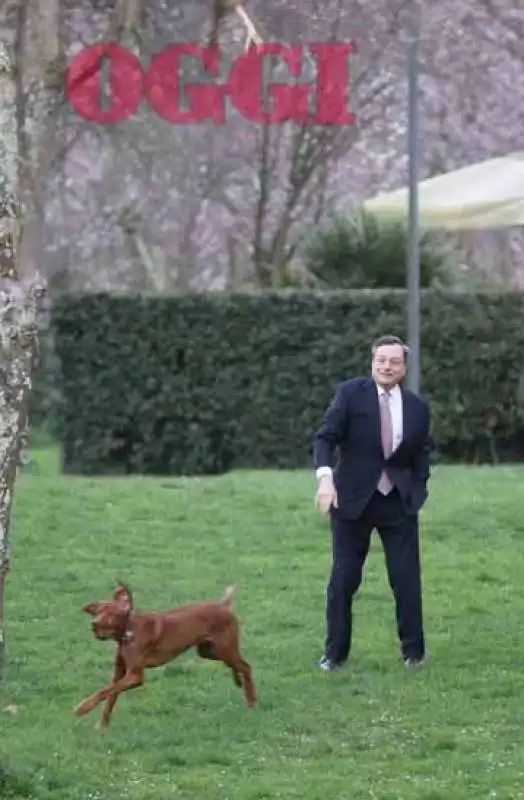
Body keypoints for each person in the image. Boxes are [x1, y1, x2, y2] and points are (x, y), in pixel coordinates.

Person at [312, 334, 432, 671]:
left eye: (394, 361)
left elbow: (422, 453)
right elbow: (325, 437)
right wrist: (325, 478)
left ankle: (414, 653)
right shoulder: (351, 394)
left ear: (404, 367)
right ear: (373, 362)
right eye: (381, 360)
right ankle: (334, 654)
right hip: (351, 502)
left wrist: (418, 491)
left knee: (406, 579)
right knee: (344, 579)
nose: (387, 366)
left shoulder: (417, 408)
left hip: (397, 504)